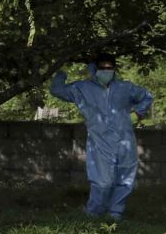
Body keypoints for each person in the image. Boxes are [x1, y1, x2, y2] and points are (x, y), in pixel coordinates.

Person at [50, 53, 153, 222]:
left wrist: (137, 113)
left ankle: (115, 215)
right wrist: (63, 70)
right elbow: (57, 90)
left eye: (109, 68)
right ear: (95, 69)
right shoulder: (82, 88)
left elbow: (147, 96)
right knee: (103, 181)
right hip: (100, 141)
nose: (106, 71)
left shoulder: (125, 87)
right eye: (102, 68)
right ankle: (93, 213)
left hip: (125, 140)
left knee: (125, 179)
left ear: (114, 69)